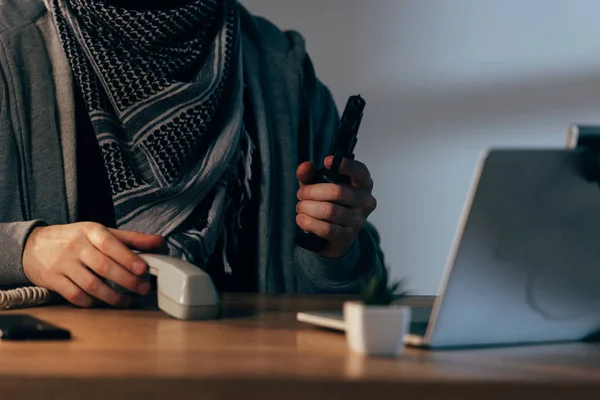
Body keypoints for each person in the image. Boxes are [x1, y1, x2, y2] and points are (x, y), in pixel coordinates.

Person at [0, 0, 386, 309]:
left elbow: (357, 296)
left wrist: (336, 250)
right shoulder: (9, 45)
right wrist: (26, 250)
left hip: (249, 377)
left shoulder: (283, 70)